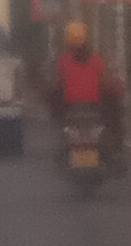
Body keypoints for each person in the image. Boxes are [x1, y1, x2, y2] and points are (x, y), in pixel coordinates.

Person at [43, 15, 124, 164]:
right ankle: (117, 151)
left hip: (70, 109)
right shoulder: (96, 60)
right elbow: (107, 82)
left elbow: (55, 85)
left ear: (67, 40)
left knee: (53, 96)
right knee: (115, 119)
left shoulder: (63, 61)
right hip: (95, 108)